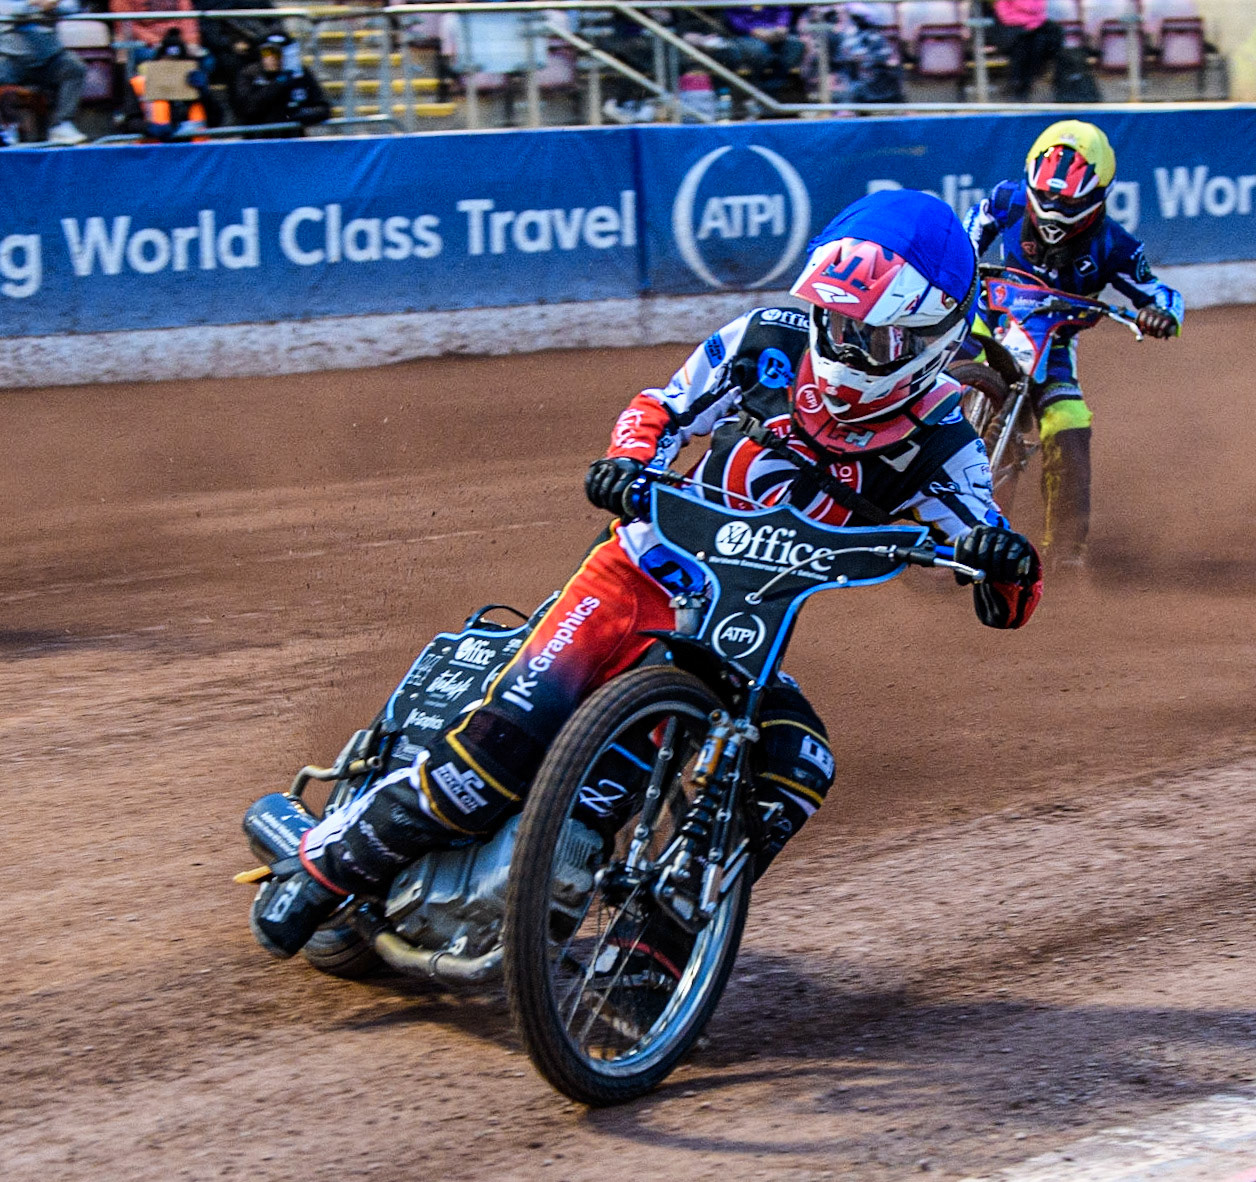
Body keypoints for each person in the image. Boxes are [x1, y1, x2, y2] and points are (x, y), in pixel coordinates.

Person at [247, 190, 1045, 960]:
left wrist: (1004, 565)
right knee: (490, 760)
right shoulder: (769, 336)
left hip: (740, 639)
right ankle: (323, 868)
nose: (840, 347)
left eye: (869, 337)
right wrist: (629, 465)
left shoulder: (945, 442)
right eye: (834, 321)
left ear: (933, 338)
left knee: (798, 767)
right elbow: (663, 406)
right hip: (636, 574)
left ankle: (651, 959)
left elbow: (997, 568)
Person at [963, 119, 1182, 568]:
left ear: (1097, 195)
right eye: (1045, 197)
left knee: (1069, 420)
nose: (1053, 209)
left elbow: (1160, 293)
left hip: (1054, 342)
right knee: (936, 366)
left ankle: (1065, 553)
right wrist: (959, 265)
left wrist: (1161, 315)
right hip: (989, 318)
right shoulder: (1008, 198)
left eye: (1068, 201)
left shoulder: (1114, 246)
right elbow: (973, 227)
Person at [0, 0, 86, 145]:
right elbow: (6, 8)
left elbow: (73, 6)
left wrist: (55, 5)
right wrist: (35, 4)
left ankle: (61, 124)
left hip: (50, 58)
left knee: (74, 67)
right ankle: (6, 129)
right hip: (11, 58)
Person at [228, 33, 329, 134]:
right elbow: (247, 108)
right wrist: (279, 82)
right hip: (259, 139)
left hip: (291, 138)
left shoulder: (299, 74)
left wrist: (300, 114)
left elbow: (323, 108)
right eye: (267, 53)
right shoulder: (250, 74)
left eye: (277, 53)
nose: (271, 58)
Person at [119, 28, 209, 142]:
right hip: (156, 153)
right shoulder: (138, 84)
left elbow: (215, 120)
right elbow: (129, 122)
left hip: (194, 152)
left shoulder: (195, 84)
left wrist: (205, 95)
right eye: (167, 63)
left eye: (177, 63)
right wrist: (148, 128)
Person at [991, 0, 1063, 101]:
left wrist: (1032, 25)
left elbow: (1036, 9)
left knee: (1044, 38)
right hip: (1010, 29)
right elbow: (1007, 15)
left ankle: (1025, 84)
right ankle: (1017, 86)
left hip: (1034, 29)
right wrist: (1027, 24)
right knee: (1024, 43)